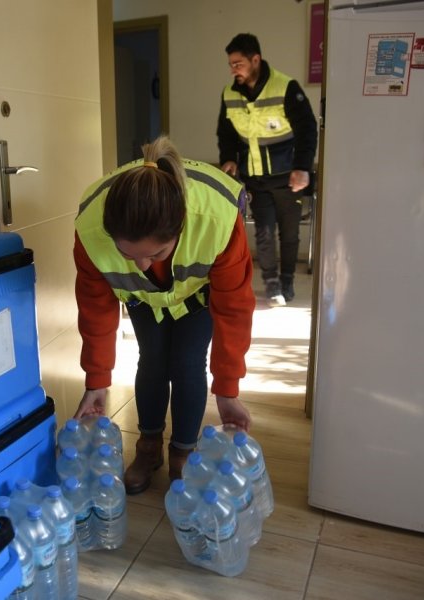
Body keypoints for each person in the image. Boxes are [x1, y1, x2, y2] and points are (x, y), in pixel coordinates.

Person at [72, 136, 255, 495]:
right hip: (143, 298)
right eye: (129, 255)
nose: (141, 264)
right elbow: (94, 306)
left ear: (180, 228)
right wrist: (97, 382)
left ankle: (183, 452)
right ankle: (148, 448)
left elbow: (235, 306)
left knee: (187, 363)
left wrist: (228, 389)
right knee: (152, 360)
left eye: (156, 253)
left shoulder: (216, 217)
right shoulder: (91, 230)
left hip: (196, 292)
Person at [217, 33, 318, 306]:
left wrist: (303, 167)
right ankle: (272, 283)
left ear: (255, 60)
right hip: (255, 179)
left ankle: (287, 280)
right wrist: (228, 157)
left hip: (289, 178)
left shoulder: (285, 87)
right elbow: (225, 133)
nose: (233, 69)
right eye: (231, 64)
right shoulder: (230, 94)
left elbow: (308, 129)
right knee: (263, 232)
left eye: (238, 63)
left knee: (289, 233)